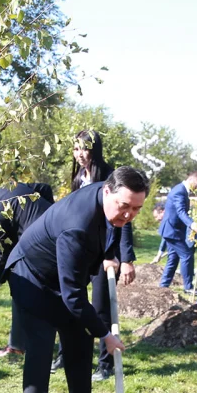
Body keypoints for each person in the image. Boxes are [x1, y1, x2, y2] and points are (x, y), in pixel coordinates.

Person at [5, 167, 148, 393]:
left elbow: (112, 226)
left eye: (137, 209)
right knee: (41, 351)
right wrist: (105, 335)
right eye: (125, 207)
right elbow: (73, 297)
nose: (129, 215)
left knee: (80, 344)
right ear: (108, 192)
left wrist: (109, 254)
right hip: (31, 277)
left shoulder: (108, 197)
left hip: (61, 277)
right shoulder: (77, 226)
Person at [56, 129, 138, 380]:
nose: (80, 154)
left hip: (106, 253)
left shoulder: (109, 176)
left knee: (102, 306)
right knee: (71, 301)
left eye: (85, 148)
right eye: (76, 148)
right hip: (81, 248)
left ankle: (105, 363)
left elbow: (125, 218)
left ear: (95, 149)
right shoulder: (78, 175)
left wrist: (125, 259)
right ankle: (65, 353)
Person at [0, 182, 56, 358]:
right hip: (55, 226)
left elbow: (4, 251)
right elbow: (44, 187)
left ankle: (17, 347)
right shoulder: (4, 189)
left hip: (39, 243)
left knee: (20, 281)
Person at [158, 171, 197, 294]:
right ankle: (188, 287)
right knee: (187, 255)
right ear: (192, 180)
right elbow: (180, 212)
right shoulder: (179, 191)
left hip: (173, 230)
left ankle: (163, 287)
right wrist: (192, 224)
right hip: (172, 231)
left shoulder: (180, 189)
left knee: (173, 259)